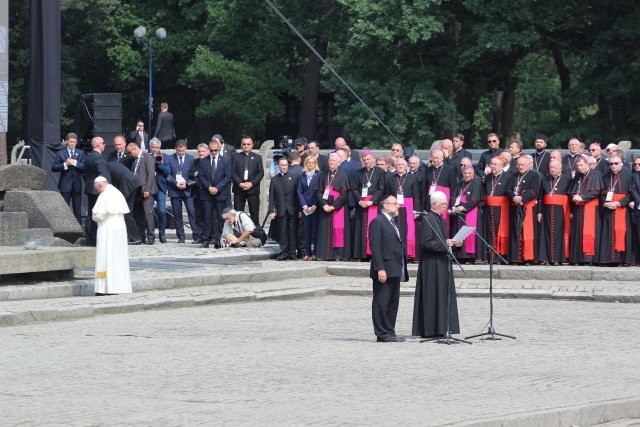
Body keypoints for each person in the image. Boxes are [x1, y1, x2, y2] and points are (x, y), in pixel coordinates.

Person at [412, 191, 462, 339]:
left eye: (446, 204)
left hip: (442, 262)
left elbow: (444, 241)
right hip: (431, 265)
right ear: (434, 204)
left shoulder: (441, 219)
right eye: (443, 204)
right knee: (433, 296)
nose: (445, 207)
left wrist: (455, 244)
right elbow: (425, 243)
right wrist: (445, 243)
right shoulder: (427, 219)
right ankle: (431, 329)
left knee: (443, 295)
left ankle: (443, 327)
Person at [369, 195, 408, 343]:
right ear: (386, 205)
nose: (398, 206)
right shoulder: (378, 222)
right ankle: (382, 333)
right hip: (384, 269)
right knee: (381, 302)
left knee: (392, 303)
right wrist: (380, 268)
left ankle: (390, 331)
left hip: (395, 268)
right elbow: (376, 247)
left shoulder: (391, 222)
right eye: (395, 203)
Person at [92, 176, 132, 295]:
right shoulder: (116, 192)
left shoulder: (105, 195)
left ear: (100, 185)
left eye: (96, 189)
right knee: (117, 258)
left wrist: (93, 216)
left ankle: (104, 288)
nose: (97, 192)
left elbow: (98, 215)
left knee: (105, 257)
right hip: (119, 227)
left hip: (107, 228)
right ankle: (117, 287)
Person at [597, 155, 635, 266]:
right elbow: (602, 193)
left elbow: (631, 194)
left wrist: (619, 203)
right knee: (608, 233)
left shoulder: (628, 175)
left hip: (622, 209)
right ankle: (609, 259)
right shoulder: (605, 176)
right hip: (609, 208)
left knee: (622, 233)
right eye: (611, 164)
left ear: (621, 163)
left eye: (616, 163)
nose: (613, 166)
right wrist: (606, 203)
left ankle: (621, 259)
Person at [315, 152, 352, 260]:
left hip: (338, 208)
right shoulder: (323, 174)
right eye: (330, 160)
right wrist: (324, 205)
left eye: (334, 161)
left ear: (339, 163)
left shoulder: (343, 174)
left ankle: (338, 255)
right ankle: (324, 254)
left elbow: (345, 194)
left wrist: (334, 206)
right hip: (325, 207)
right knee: (324, 230)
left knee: (338, 230)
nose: (331, 162)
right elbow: (319, 193)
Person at [198, 138, 232, 248]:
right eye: (211, 150)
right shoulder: (203, 161)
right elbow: (201, 177)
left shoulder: (225, 161)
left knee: (221, 218)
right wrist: (209, 187)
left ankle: (221, 239)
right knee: (207, 217)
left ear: (219, 149)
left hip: (220, 193)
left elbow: (228, 177)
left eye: (215, 150)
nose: (213, 152)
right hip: (207, 193)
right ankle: (206, 240)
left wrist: (217, 188)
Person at [506, 155, 541, 264]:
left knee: (527, 232)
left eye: (522, 165)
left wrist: (522, 198)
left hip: (527, 208)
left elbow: (535, 191)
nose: (520, 167)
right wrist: (514, 197)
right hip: (516, 207)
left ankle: (528, 258)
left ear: (529, 164)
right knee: (516, 232)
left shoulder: (534, 175)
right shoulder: (514, 176)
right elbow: (508, 190)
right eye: (519, 165)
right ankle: (516, 258)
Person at [386, 158, 422, 260]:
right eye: (398, 165)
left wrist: (417, 210)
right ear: (395, 166)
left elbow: (417, 195)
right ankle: (396, 253)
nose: (400, 166)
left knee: (409, 232)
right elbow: (388, 195)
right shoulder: (391, 179)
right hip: (395, 209)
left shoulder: (412, 178)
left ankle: (409, 254)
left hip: (409, 209)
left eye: (402, 164)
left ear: (406, 166)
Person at [569, 156, 603, 265]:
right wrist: (574, 196)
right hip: (579, 208)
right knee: (578, 232)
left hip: (591, 208)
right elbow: (572, 190)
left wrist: (582, 198)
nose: (579, 168)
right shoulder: (577, 176)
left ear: (587, 164)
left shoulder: (595, 174)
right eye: (578, 166)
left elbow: (596, 192)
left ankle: (588, 259)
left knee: (589, 233)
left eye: (581, 165)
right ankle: (577, 258)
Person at [353, 150, 386, 259]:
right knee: (361, 229)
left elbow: (381, 189)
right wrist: (359, 201)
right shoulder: (359, 172)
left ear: (372, 159)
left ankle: (373, 253)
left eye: (368, 159)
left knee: (373, 228)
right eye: (364, 160)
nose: (366, 161)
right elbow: (354, 189)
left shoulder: (380, 172)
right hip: (361, 205)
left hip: (374, 205)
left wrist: (371, 201)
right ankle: (362, 254)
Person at [537, 160, 571, 265]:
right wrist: (539, 212)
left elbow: (570, 196)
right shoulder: (545, 180)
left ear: (560, 169)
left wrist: (571, 212)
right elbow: (540, 197)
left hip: (561, 211)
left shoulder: (568, 180)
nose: (553, 169)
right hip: (547, 211)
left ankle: (558, 259)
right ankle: (546, 258)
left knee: (559, 234)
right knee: (546, 233)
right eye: (551, 168)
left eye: (555, 167)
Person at [449, 165, 484, 263]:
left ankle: (470, 257)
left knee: (469, 233)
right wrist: (453, 207)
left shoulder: (476, 184)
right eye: (465, 173)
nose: (467, 175)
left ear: (473, 174)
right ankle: (459, 256)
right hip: (459, 213)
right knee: (458, 233)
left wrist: (462, 207)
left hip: (470, 211)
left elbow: (475, 199)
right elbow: (453, 198)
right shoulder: (460, 184)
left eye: (469, 173)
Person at [166, 139, 198, 244]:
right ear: (176, 149)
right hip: (175, 190)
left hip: (187, 190)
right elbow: (168, 174)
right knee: (177, 214)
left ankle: (196, 235)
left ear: (186, 149)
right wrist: (176, 183)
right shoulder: (170, 158)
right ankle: (181, 236)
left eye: (183, 151)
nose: (181, 153)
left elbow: (193, 174)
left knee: (191, 213)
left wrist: (187, 183)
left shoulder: (191, 159)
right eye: (179, 150)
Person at [483, 156, 513, 262]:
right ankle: (489, 256)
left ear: (501, 166)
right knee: (489, 232)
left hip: (501, 209)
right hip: (488, 209)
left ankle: (500, 256)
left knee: (500, 231)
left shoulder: (508, 177)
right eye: (491, 164)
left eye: (495, 164)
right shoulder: (487, 177)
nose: (493, 166)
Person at [127, 142, 158, 245]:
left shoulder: (147, 157)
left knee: (147, 213)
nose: (129, 154)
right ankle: (141, 236)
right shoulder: (135, 160)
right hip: (137, 191)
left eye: (130, 152)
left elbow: (151, 174)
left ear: (134, 149)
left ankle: (151, 236)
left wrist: (147, 189)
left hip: (146, 190)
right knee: (139, 214)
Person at [269, 157, 299, 260]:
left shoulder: (294, 178)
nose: (284, 167)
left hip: (292, 209)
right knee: (282, 232)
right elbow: (271, 197)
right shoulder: (274, 180)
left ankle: (292, 253)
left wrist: (299, 210)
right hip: (281, 209)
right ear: (278, 166)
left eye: (286, 165)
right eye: (282, 165)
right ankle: (283, 252)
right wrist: (271, 211)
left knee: (292, 231)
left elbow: (297, 195)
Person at [51, 132, 85, 223]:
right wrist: (65, 164)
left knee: (77, 207)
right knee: (65, 207)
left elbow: (84, 166)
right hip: (65, 184)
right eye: (70, 142)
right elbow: (53, 167)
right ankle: (65, 226)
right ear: (67, 141)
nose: (72, 144)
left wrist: (74, 163)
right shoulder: (61, 153)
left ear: (76, 142)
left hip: (77, 184)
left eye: (74, 142)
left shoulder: (80, 153)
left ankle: (78, 228)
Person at [83, 136, 111, 246]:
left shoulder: (88, 157)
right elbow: (103, 175)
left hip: (90, 189)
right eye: (103, 143)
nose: (104, 145)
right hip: (98, 190)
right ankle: (95, 239)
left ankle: (90, 238)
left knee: (91, 214)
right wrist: (107, 189)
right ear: (99, 145)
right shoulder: (98, 158)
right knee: (98, 214)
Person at [107, 160, 142, 245]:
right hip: (135, 183)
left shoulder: (106, 166)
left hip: (128, 185)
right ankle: (138, 236)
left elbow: (109, 182)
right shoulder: (113, 164)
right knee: (133, 212)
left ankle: (136, 238)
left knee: (126, 212)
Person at [232, 136, 264, 226]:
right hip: (239, 189)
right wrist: (240, 183)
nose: (246, 146)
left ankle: (256, 234)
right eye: (244, 144)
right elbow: (232, 172)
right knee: (238, 214)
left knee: (254, 213)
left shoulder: (257, 157)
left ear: (252, 145)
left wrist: (252, 183)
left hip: (253, 189)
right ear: (241, 145)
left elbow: (261, 173)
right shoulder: (236, 157)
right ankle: (239, 234)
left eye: (248, 144)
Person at [424, 148, 457, 232]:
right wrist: (424, 205)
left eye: (437, 158)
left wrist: (452, 204)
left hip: (444, 202)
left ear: (442, 158)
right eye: (433, 158)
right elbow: (424, 188)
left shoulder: (449, 169)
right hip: (431, 202)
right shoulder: (428, 170)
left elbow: (453, 188)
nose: (435, 160)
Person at [297, 155, 321, 261]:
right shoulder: (302, 176)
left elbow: (320, 191)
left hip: (315, 206)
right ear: (306, 163)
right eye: (309, 162)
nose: (311, 164)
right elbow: (299, 191)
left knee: (315, 230)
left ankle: (315, 252)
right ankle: (307, 252)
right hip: (305, 207)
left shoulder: (319, 175)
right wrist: (304, 205)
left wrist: (315, 205)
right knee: (306, 230)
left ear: (315, 164)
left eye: (312, 162)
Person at [149, 138, 171, 243]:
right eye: (153, 147)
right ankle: (151, 235)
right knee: (149, 212)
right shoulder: (146, 156)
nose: (155, 150)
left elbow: (168, 171)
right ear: (150, 147)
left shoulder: (164, 157)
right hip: (149, 188)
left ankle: (162, 235)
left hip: (161, 188)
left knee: (162, 211)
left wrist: (158, 163)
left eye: (157, 147)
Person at [189, 143, 209, 244]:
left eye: (203, 151)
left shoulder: (210, 160)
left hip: (208, 192)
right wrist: (197, 173)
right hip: (197, 193)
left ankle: (209, 236)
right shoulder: (196, 162)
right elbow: (191, 173)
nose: (201, 153)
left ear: (207, 151)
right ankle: (199, 236)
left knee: (208, 216)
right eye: (199, 152)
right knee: (198, 216)